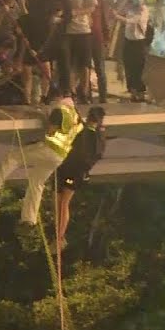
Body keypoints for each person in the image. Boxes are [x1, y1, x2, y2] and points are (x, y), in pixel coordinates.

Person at [0, 102, 81, 225]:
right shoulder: (76, 117)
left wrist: (42, 117)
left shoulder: (60, 112)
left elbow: (50, 131)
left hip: (49, 149)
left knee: (14, 157)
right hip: (60, 156)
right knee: (37, 182)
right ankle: (29, 218)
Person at [55, 106, 105, 247]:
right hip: (70, 169)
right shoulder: (97, 135)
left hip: (73, 170)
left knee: (63, 201)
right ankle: (59, 235)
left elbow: (88, 155)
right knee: (60, 201)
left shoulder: (92, 134)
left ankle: (60, 236)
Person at [61, 0, 97, 102]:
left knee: (84, 64)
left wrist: (76, 13)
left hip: (83, 29)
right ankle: (71, 92)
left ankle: (84, 92)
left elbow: (92, 6)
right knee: (69, 63)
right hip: (68, 30)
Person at [116, 0, 149, 102]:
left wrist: (118, 17)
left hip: (139, 43)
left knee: (138, 69)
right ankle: (132, 92)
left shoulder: (144, 10)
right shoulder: (130, 8)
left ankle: (140, 92)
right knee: (128, 67)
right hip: (128, 42)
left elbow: (133, 21)